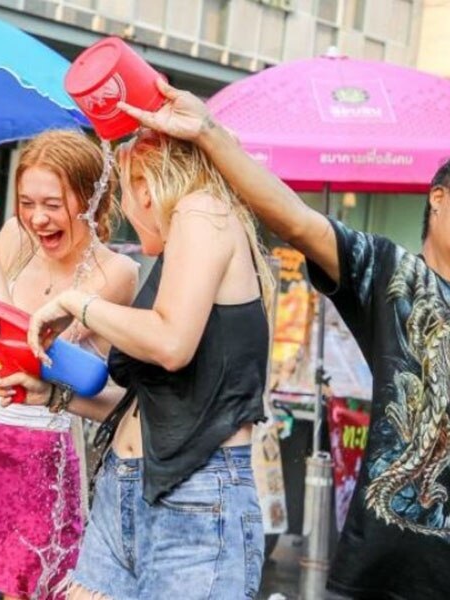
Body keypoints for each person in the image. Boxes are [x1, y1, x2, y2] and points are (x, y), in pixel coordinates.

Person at [113, 78, 450, 600]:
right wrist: (208, 133)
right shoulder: (395, 278)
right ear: (439, 198)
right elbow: (296, 221)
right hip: (381, 572)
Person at [26, 121, 275, 598]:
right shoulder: (182, 251)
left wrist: (79, 303)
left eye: (122, 193)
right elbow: (153, 401)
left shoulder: (201, 211)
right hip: (127, 490)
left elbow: (171, 344)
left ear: (146, 186)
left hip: (195, 496)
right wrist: (54, 395)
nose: (122, 210)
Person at [0, 130, 139, 600]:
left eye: (53, 204)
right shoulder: (17, 234)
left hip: (43, 472)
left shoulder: (115, 272)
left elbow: (17, 344)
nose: (37, 218)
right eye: (27, 202)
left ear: (90, 199)